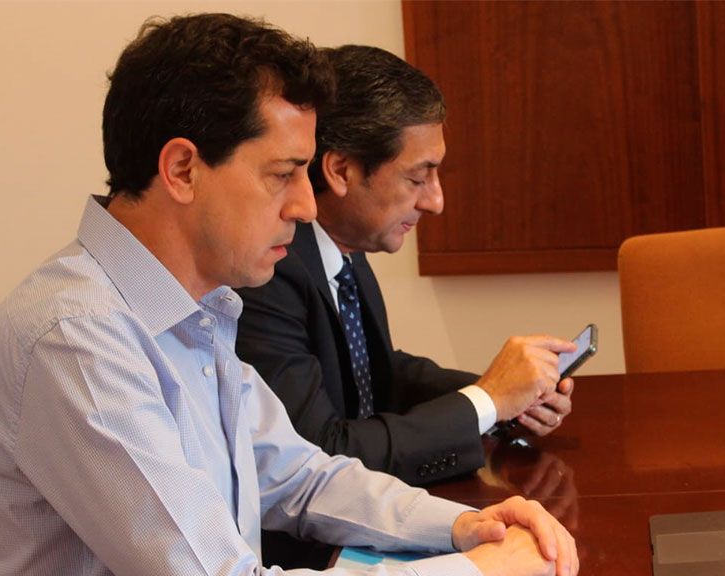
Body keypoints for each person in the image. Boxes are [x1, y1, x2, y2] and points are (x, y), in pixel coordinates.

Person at [0, 14, 577, 576]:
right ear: (183, 169)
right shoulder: (79, 338)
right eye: (284, 173)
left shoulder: (197, 306)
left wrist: (463, 527)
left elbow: (298, 477)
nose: (306, 205)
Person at [235, 45, 576, 491]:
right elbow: (321, 454)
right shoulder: (271, 268)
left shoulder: (344, 248)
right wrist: (487, 400)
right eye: (418, 177)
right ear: (341, 171)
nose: (436, 202)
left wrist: (507, 395)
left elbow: (377, 374)